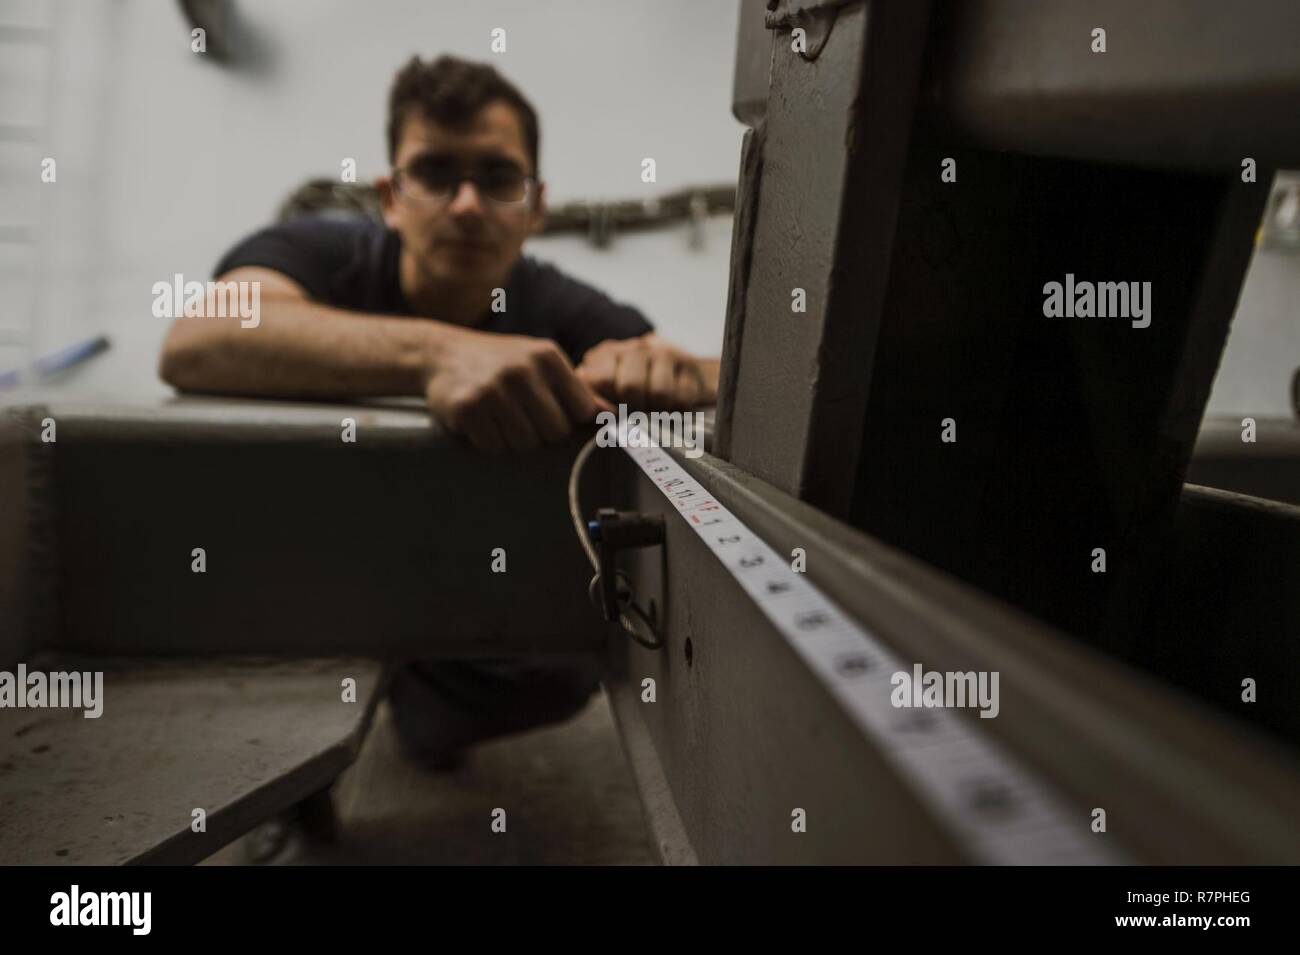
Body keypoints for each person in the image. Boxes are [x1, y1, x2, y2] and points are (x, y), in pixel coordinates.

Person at [159, 54, 720, 769]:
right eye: (435, 174)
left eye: (496, 178)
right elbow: (198, 336)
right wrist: (435, 355)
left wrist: (670, 368)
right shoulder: (318, 250)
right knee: (270, 706)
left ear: (535, 206)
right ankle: (302, 792)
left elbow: (692, 367)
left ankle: (419, 717)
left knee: (557, 674)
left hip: (445, 577)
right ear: (390, 196)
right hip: (304, 563)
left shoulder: (559, 302)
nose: (465, 205)